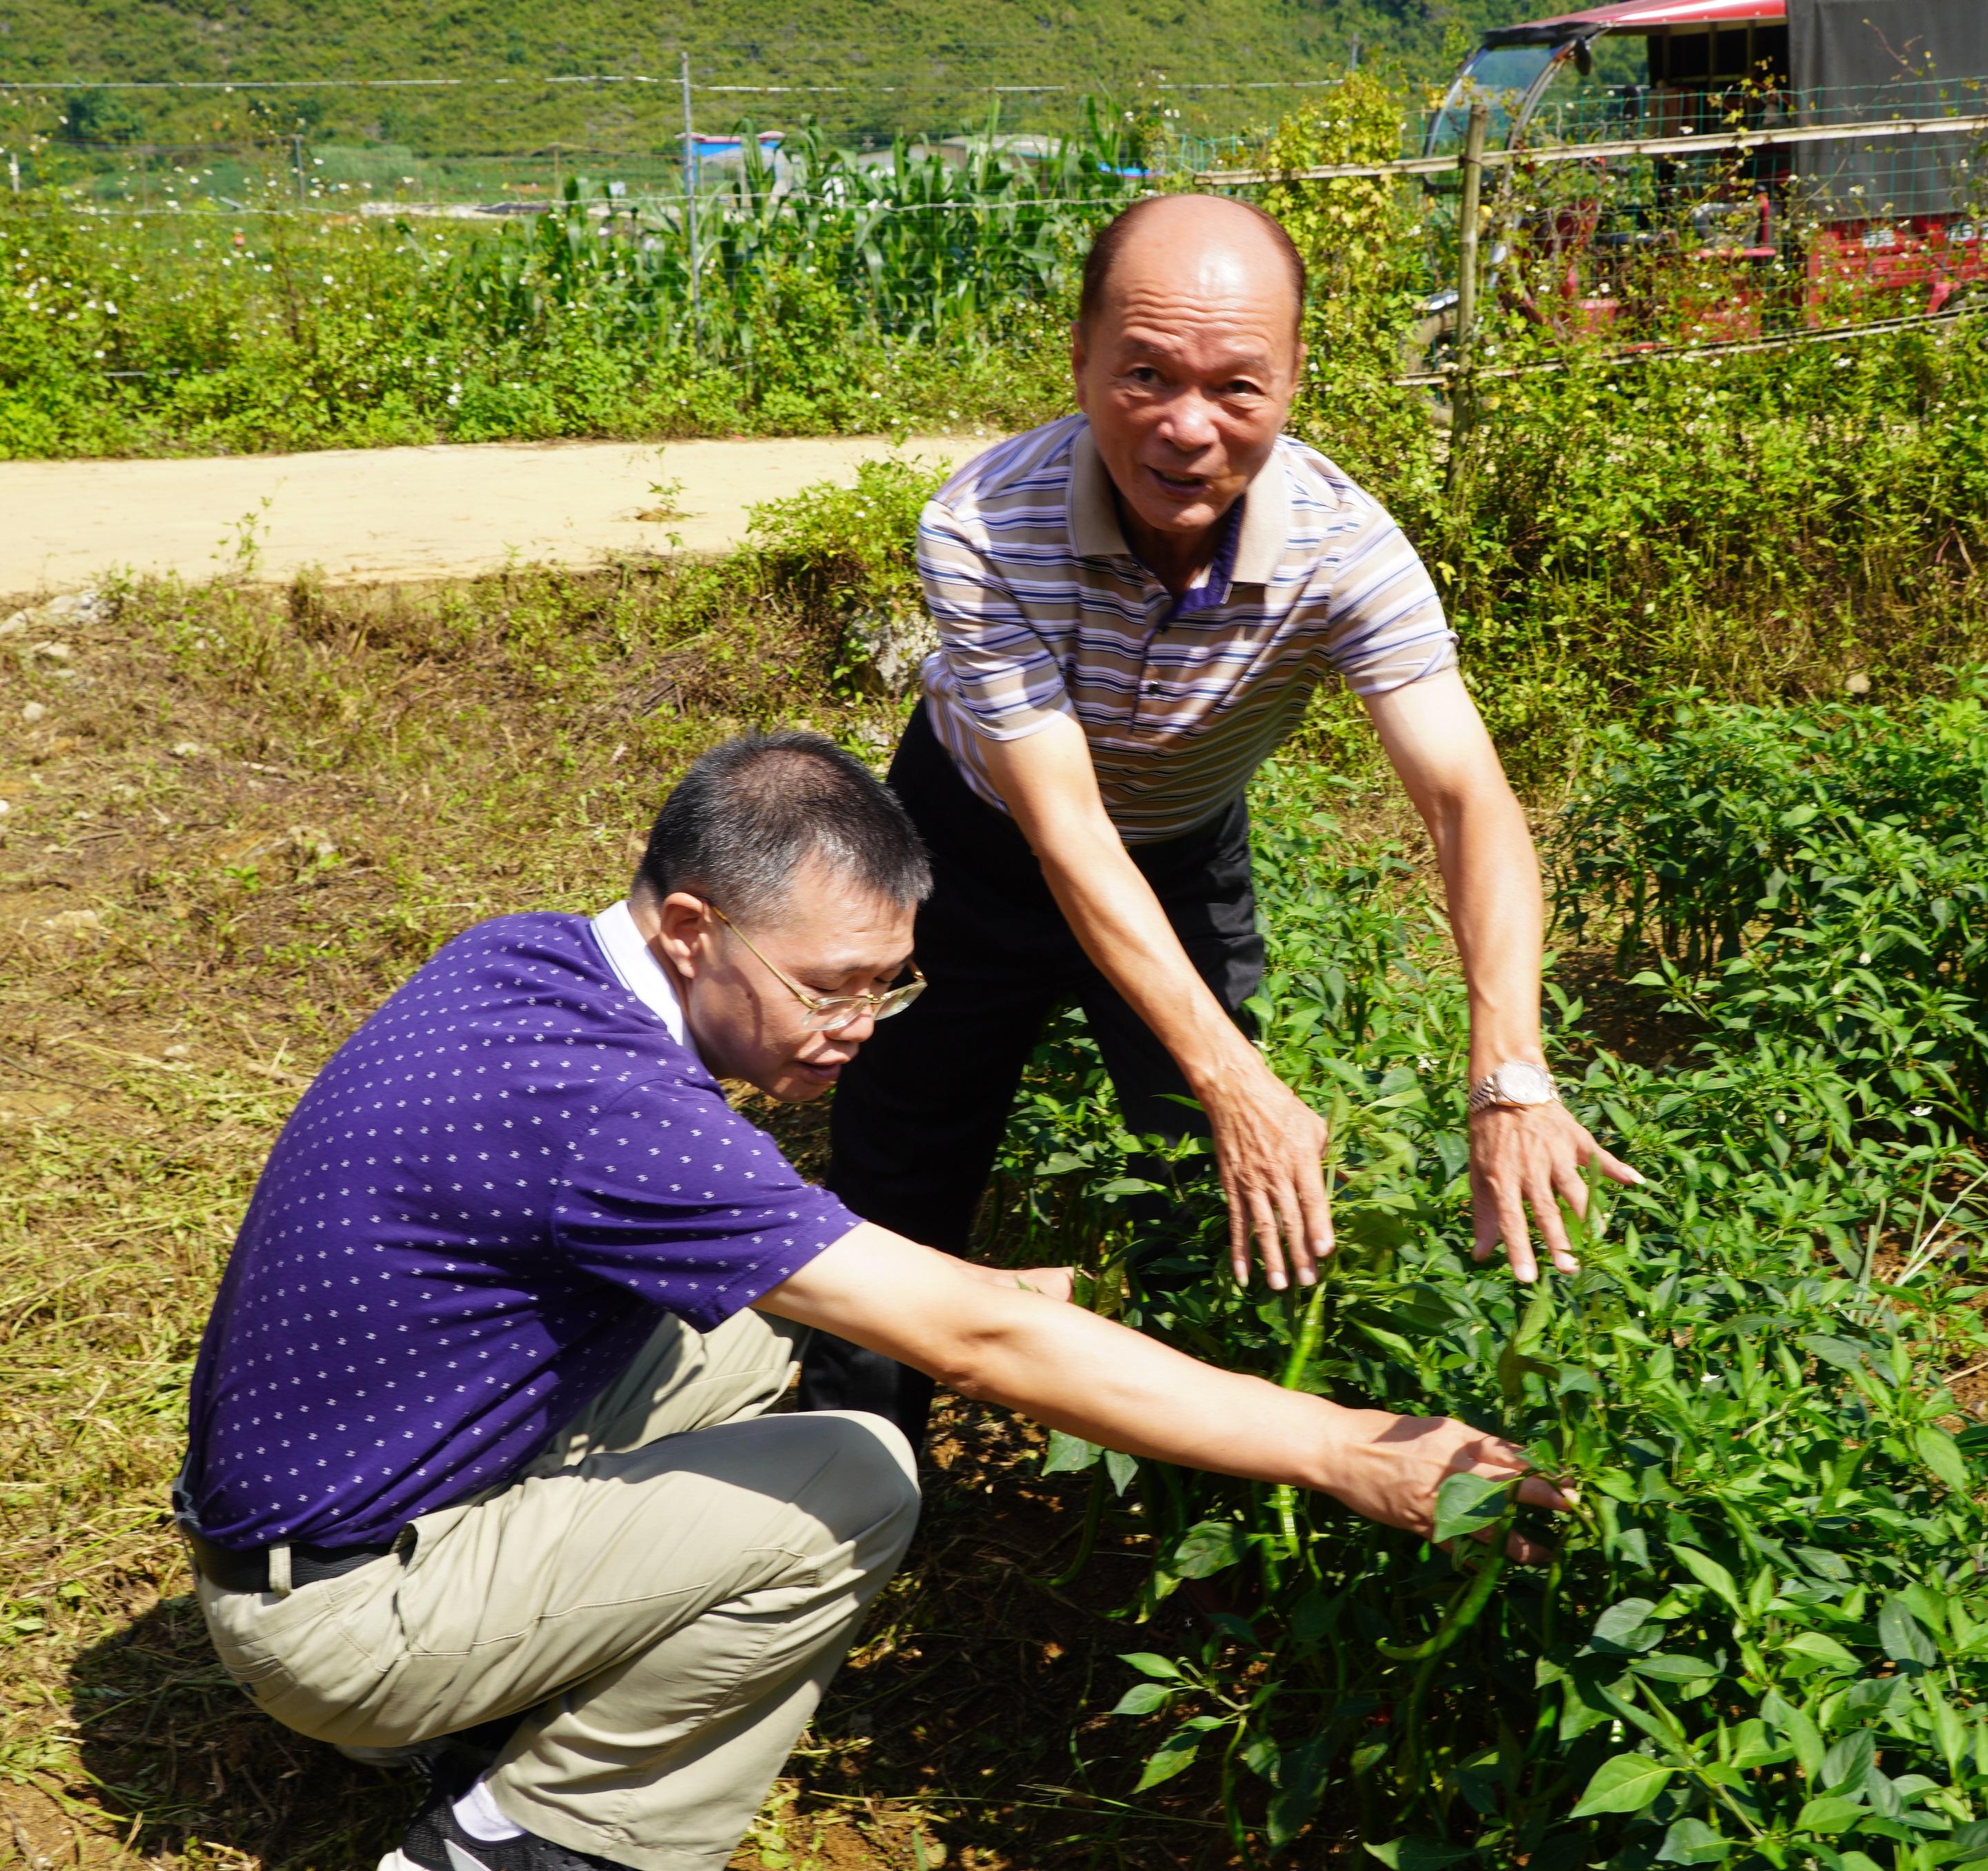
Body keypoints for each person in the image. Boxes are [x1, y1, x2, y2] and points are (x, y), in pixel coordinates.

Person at [178, 732, 1560, 1871]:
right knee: (855, 1476)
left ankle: (505, 1674)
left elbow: (891, 1291)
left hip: (321, 1509)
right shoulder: (601, 1108)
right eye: (832, 988)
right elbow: (978, 1345)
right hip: (333, 1618)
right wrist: (1344, 1448)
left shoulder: (531, 961)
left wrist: (969, 1288)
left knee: (737, 1336)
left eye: (890, 987)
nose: (857, 1028)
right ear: (691, 928)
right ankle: (532, 1838)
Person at [814, 194, 1639, 1441]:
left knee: (1207, 1179)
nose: (1187, 427)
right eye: (1144, 374)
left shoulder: (1344, 549)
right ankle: (857, 1463)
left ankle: (1192, 1459)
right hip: (967, 841)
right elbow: (1065, 829)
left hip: (1180, 843)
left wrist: (1509, 1072)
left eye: (1236, 387)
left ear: (1294, 381)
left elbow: (1466, 800)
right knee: (905, 1140)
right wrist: (1235, 1078)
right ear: (1079, 360)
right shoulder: (983, 522)